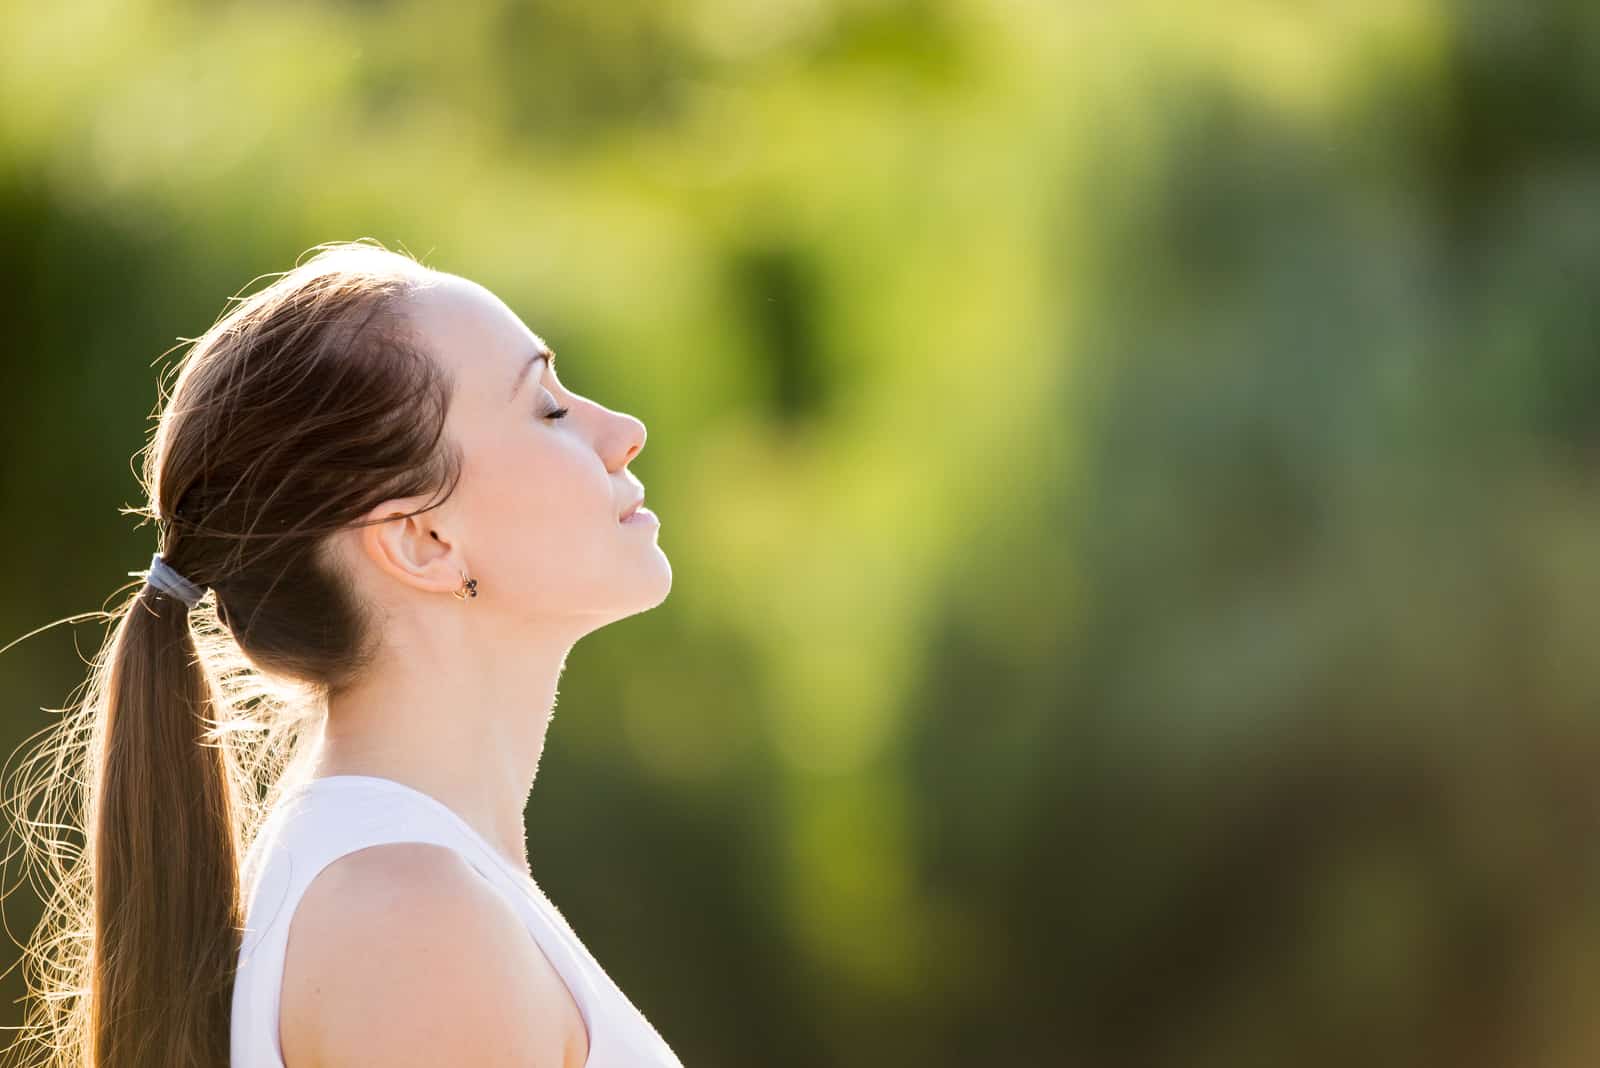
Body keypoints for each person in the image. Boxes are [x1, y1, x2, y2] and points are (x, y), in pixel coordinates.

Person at [7, 239, 679, 1067]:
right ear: (423, 540)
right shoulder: (411, 919)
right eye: (547, 408)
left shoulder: (412, 890)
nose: (625, 432)